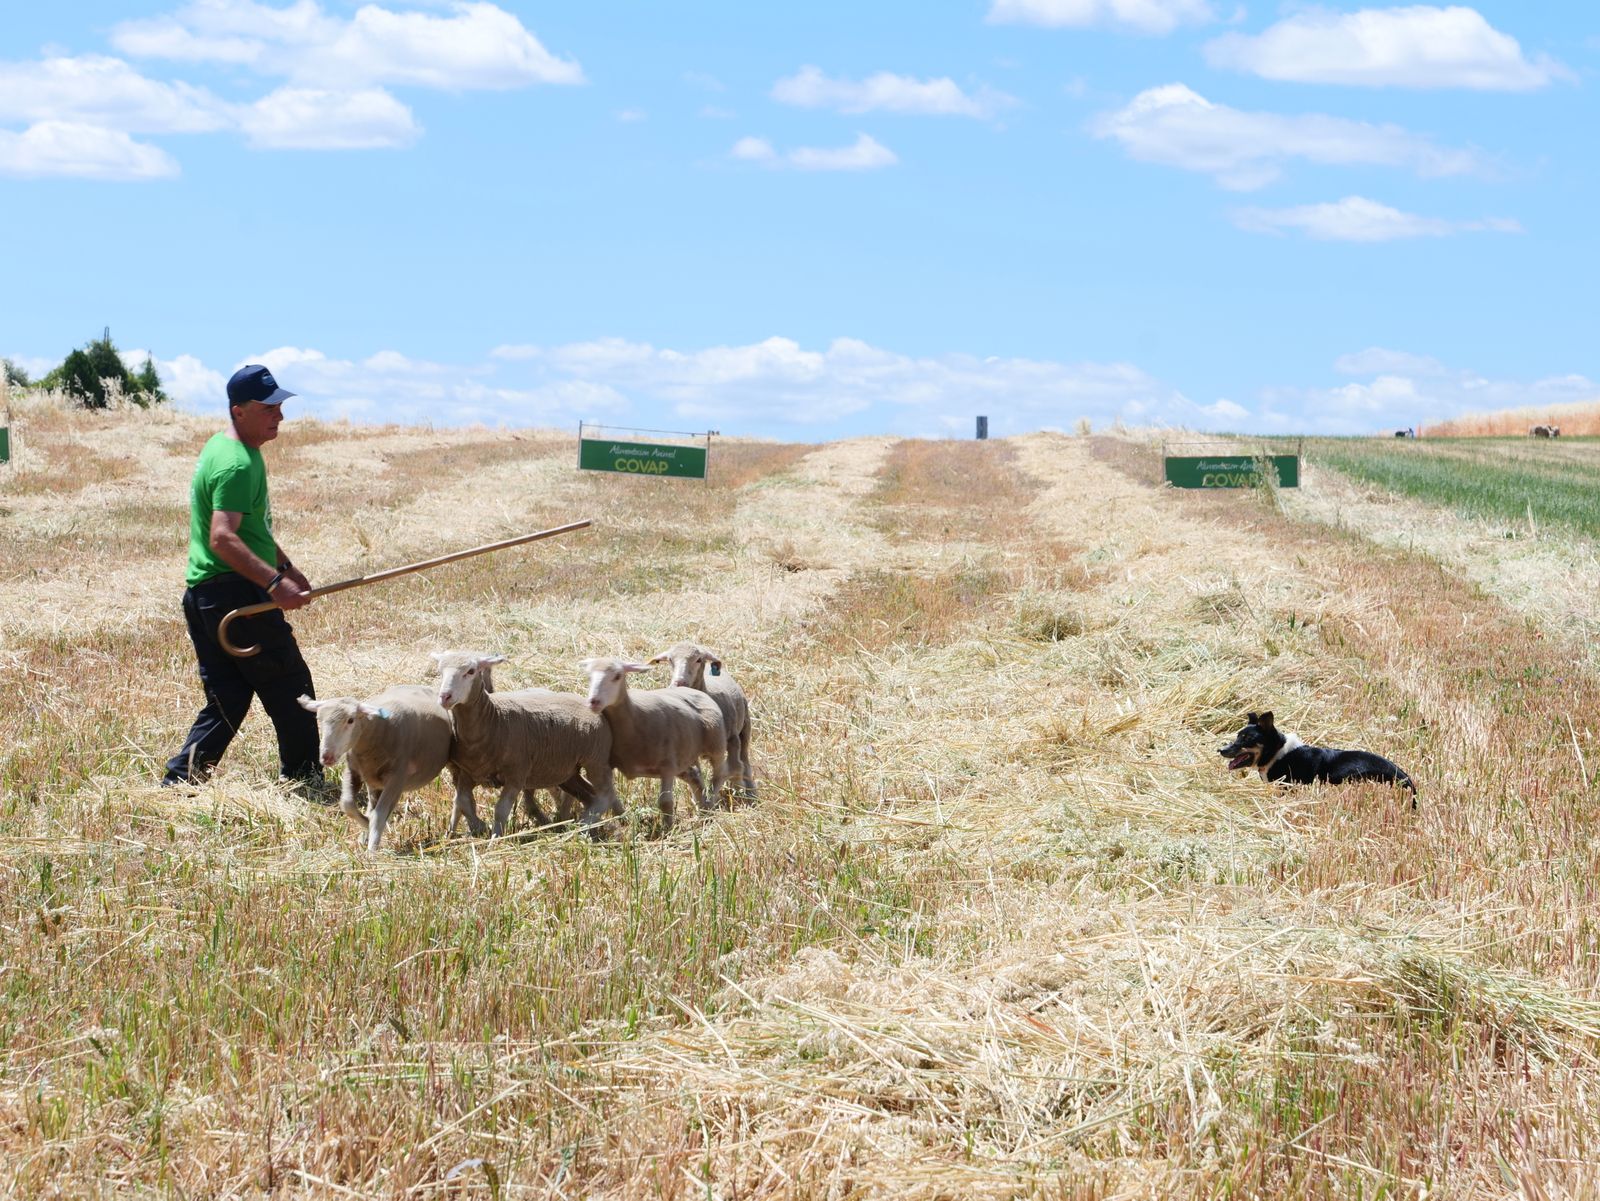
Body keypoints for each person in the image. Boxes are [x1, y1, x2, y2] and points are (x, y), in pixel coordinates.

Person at [162, 364, 324, 789]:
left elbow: (252, 530)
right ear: (239, 410)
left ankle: (180, 782)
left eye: (280, 406)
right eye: (268, 407)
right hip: (234, 594)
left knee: (227, 699)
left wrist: (286, 568)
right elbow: (223, 538)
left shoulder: (229, 447)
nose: (279, 415)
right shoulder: (236, 463)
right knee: (293, 689)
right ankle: (305, 782)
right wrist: (273, 583)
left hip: (205, 595)